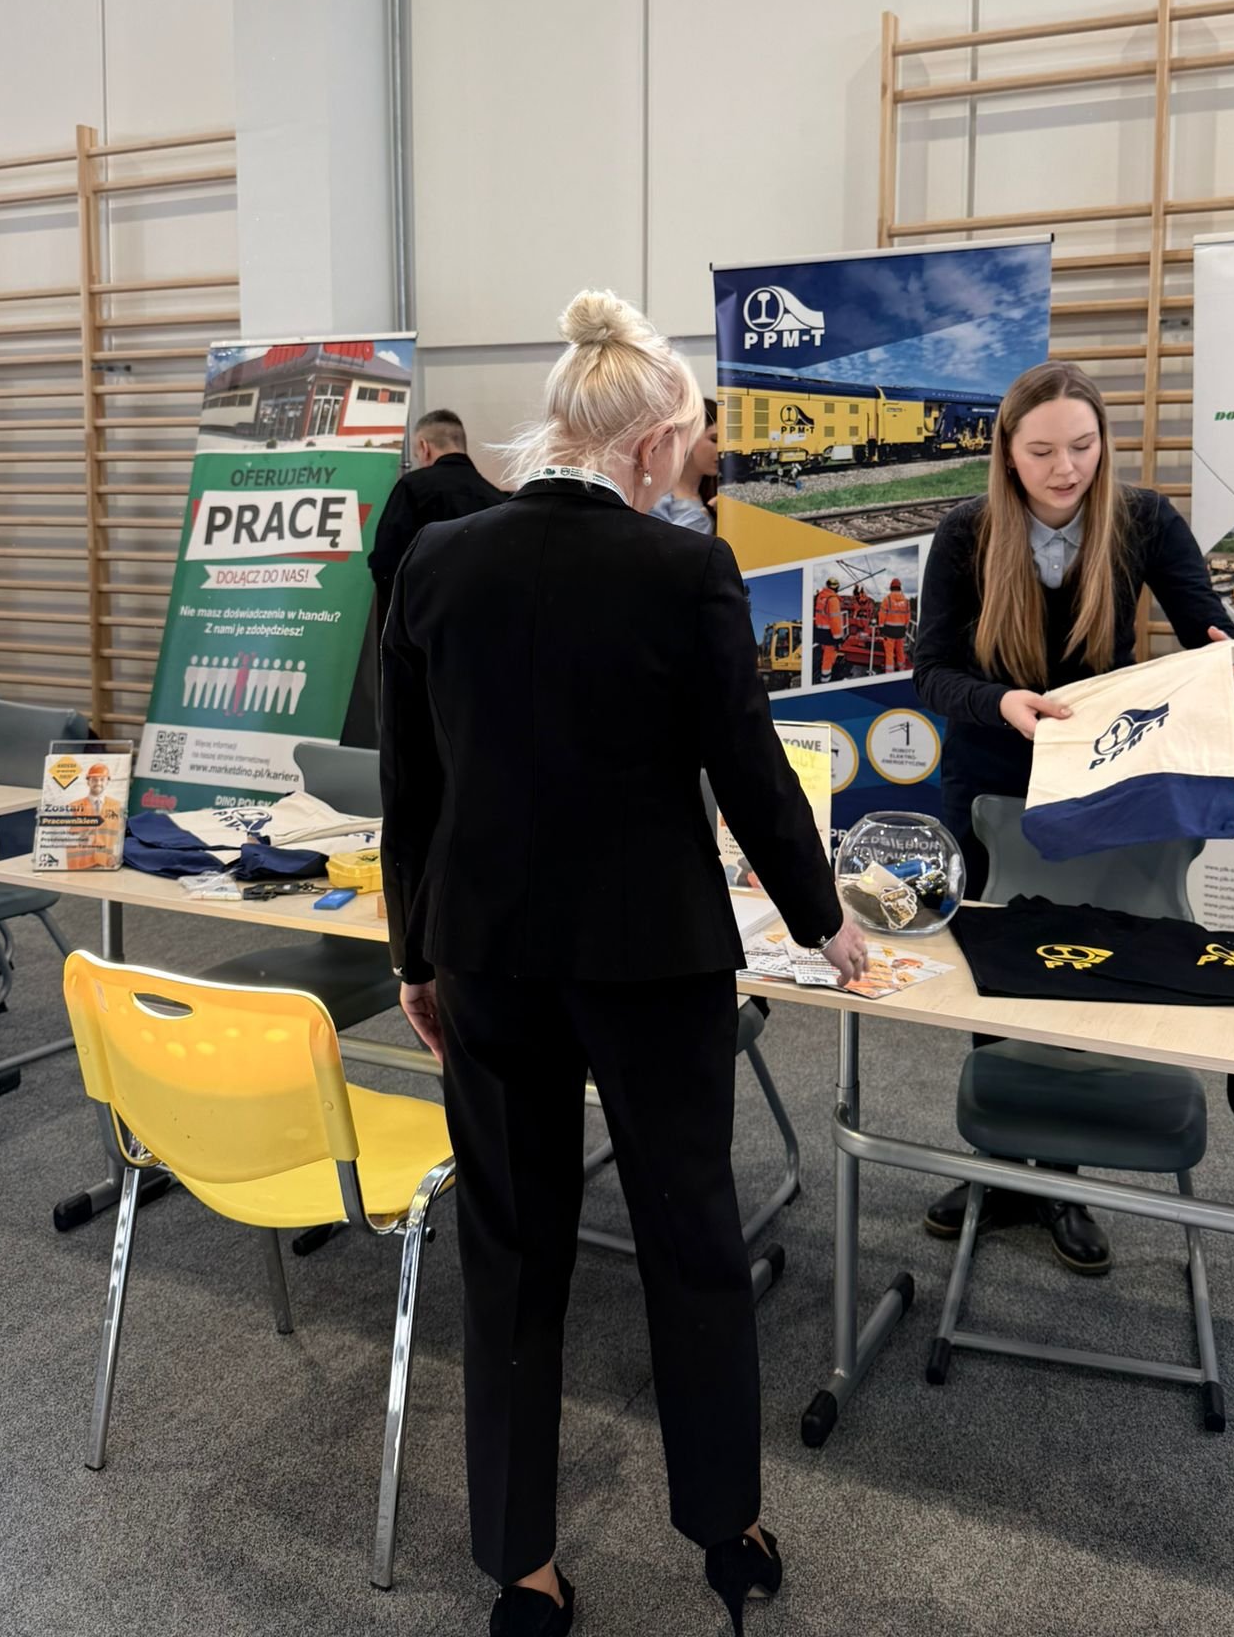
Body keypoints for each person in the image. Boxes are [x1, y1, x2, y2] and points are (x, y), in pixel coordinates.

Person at [381, 291, 866, 1637]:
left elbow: (412, 785)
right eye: (692, 444)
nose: (694, 464)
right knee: (689, 1237)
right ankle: (725, 1527)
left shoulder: (437, 562)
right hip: (654, 960)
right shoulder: (685, 569)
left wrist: (414, 951)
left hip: (484, 953)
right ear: (654, 443)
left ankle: (519, 1568)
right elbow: (750, 772)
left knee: (509, 1249)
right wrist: (825, 919)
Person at [912, 361, 1234, 1275]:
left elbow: (1207, 628)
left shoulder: (1144, 521)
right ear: (1006, 454)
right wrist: (1001, 704)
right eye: (1042, 452)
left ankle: (1058, 1176)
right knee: (993, 970)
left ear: (1105, 443)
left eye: (1083, 446)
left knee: (1078, 964)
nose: (1066, 469)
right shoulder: (965, 532)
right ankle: (1002, 1163)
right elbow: (931, 672)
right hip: (991, 784)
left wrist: (1228, 664)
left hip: (1101, 783)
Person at [368, 408, 504, 607]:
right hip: (484, 616)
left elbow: (386, 562)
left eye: (417, 456)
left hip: (425, 617)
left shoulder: (412, 488)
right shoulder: (497, 498)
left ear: (425, 448)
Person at [651, 395, 718, 532]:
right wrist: (707, 512)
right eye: (714, 439)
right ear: (690, 436)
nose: (722, 449)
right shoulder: (658, 494)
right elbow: (658, 541)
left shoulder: (714, 492)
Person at [812, 575, 846, 683]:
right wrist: (838, 638)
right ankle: (825, 679)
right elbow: (835, 621)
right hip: (829, 634)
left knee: (823, 654)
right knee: (829, 656)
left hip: (819, 632)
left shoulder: (820, 597)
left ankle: (823, 674)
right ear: (837, 587)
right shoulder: (833, 600)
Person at [878, 575, 912, 673]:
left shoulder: (887, 599)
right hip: (900, 631)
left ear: (891, 587)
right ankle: (902, 669)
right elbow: (908, 617)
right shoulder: (906, 601)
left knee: (889, 653)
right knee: (900, 651)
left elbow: (882, 615)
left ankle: (889, 673)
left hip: (889, 631)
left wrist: (881, 628)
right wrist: (905, 628)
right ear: (899, 588)